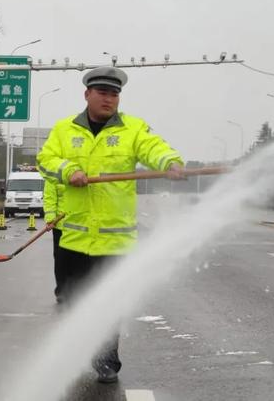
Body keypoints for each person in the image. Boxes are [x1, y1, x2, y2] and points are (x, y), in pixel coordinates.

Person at [37, 66, 185, 384]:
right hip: (74, 239)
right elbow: (45, 160)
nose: (109, 98)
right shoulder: (64, 131)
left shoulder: (132, 129)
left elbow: (153, 147)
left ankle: (106, 360)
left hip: (115, 242)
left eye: (114, 93)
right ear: (87, 94)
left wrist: (169, 162)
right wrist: (67, 170)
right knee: (71, 301)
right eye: (102, 92)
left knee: (108, 303)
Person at [42, 180, 66, 303]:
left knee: (81, 258)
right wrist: (51, 219)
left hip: (81, 224)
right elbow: (50, 197)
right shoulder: (55, 171)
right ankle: (61, 291)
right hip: (60, 225)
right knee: (60, 258)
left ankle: (81, 288)